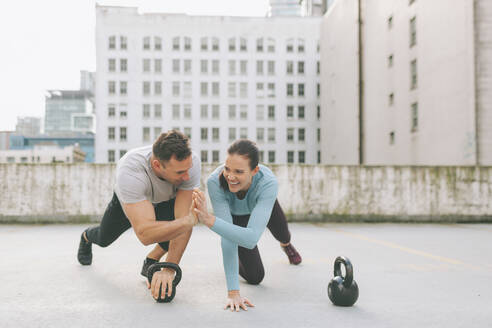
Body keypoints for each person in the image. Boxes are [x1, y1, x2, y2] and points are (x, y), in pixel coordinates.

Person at [77, 130, 200, 300]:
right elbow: (145, 234)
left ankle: (152, 259)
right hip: (129, 203)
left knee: (173, 230)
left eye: (188, 170)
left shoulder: (189, 163)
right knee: (104, 238)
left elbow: (183, 221)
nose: (187, 176)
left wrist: (168, 270)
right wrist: (188, 222)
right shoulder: (130, 170)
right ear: (157, 165)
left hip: (165, 200)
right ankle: (86, 236)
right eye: (179, 173)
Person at [192, 139, 302, 312]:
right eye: (227, 168)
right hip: (236, 216)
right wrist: (233, 292)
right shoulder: (215, 182)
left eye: (239, 171)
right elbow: (227, 238)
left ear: (254, 170)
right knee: (255, 277)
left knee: (283, 233)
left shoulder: (268, 182)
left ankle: (286, 245)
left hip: (263, 206)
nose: (230, 176)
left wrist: (209, 220)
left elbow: (251, 239)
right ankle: (235, 262)